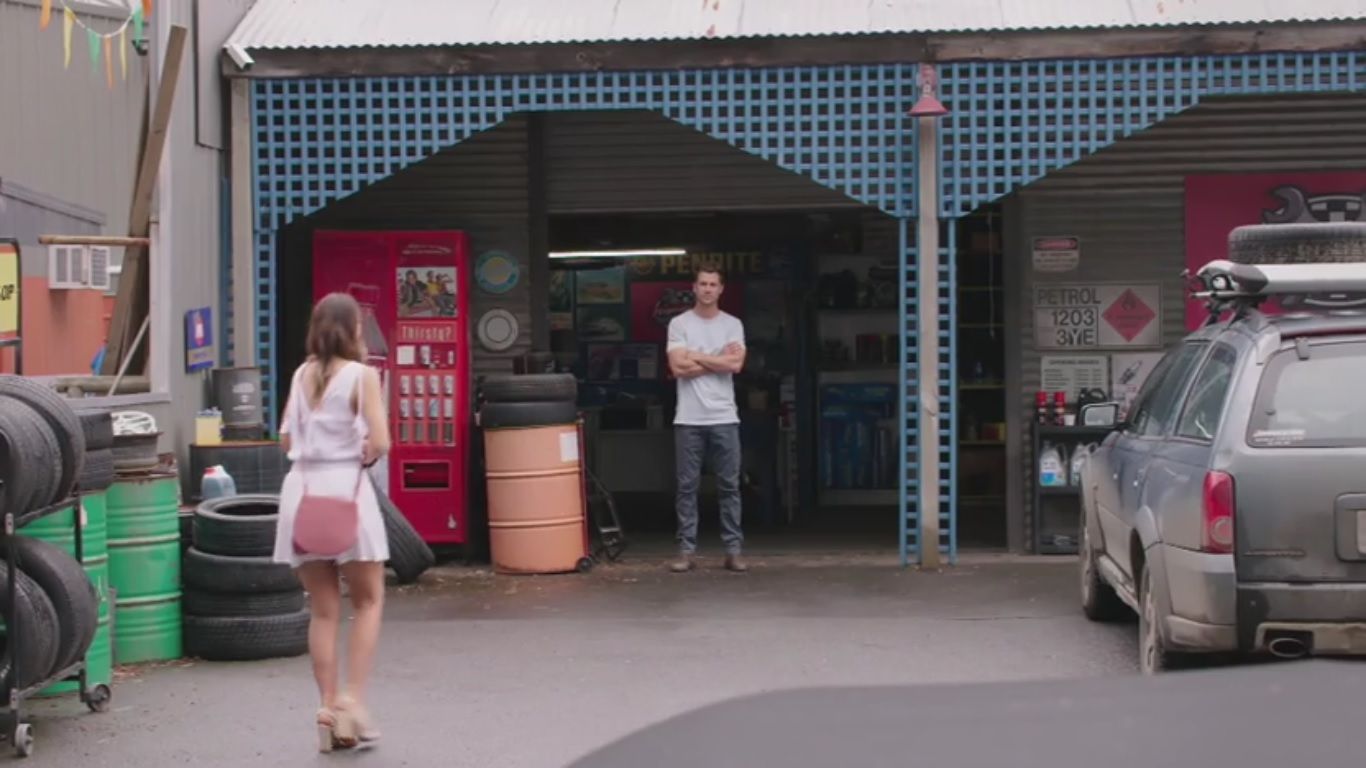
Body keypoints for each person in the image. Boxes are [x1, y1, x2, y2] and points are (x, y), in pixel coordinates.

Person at [276, 292, 391, 752]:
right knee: (368, 600)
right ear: (354, 330)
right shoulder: (363, 376)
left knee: (323, 609)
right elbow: (380, 441)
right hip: (345, 492)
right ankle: (351, 701)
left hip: (301, 494)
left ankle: (326, 708)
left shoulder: (300, 374)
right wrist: (361, 449)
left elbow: (287, 440)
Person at [666, 264, 748, 573]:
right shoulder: (679, 323)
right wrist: (719, 359)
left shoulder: (732, 324)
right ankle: (686, 552)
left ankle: (733, 551)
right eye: (703, 284)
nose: (708, 289)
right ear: (694, 287)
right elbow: (677, 368)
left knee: (729, 486)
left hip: (724, 416)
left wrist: (697, 355)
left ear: (721, 289)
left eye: (713, 284)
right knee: (687, 487)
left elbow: (736, 366)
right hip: (688, 418)